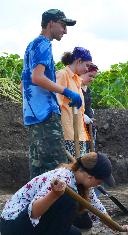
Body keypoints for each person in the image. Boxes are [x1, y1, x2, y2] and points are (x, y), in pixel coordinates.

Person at [0, 152, 128, 235]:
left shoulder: (84, 185)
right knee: (69, 201)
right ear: (90, 177)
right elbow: (33, 212)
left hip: (32, 222)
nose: (99, 185)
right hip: (14, 224)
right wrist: (54, 194)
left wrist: (119, 228)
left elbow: (99, 211)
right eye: (100, 181)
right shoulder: (62, 177)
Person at [21, 9, 82, 178]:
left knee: (39, 169)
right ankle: (55, 205)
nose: (65, 30)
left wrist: (30, 106)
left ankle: (38, 204)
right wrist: (67, 92)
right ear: (51, 23)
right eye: (63, 25)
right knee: (55, 169)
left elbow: (24, 81)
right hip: (46, 115)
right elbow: (37, 77)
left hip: (34, 115)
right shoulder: (44, 45)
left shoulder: (32, 45)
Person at [56, 47, 93, 157]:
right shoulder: (63, 75)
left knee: (78, 170)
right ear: (79, 61)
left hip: (78, 133)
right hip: (67, 134)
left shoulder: (77, 79)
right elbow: (56, 103)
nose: (87, 69)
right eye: (87, 65)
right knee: (69, 170)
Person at [81, 63, 99, 152]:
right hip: (79, 124)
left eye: (94, 77)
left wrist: (90, 114)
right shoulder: (75, 88)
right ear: (82, 73)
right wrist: (82, 116)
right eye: (90, 76)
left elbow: (87, 105)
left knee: (89, 150)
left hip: (88, 124)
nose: (92, 79)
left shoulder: (87, 89)